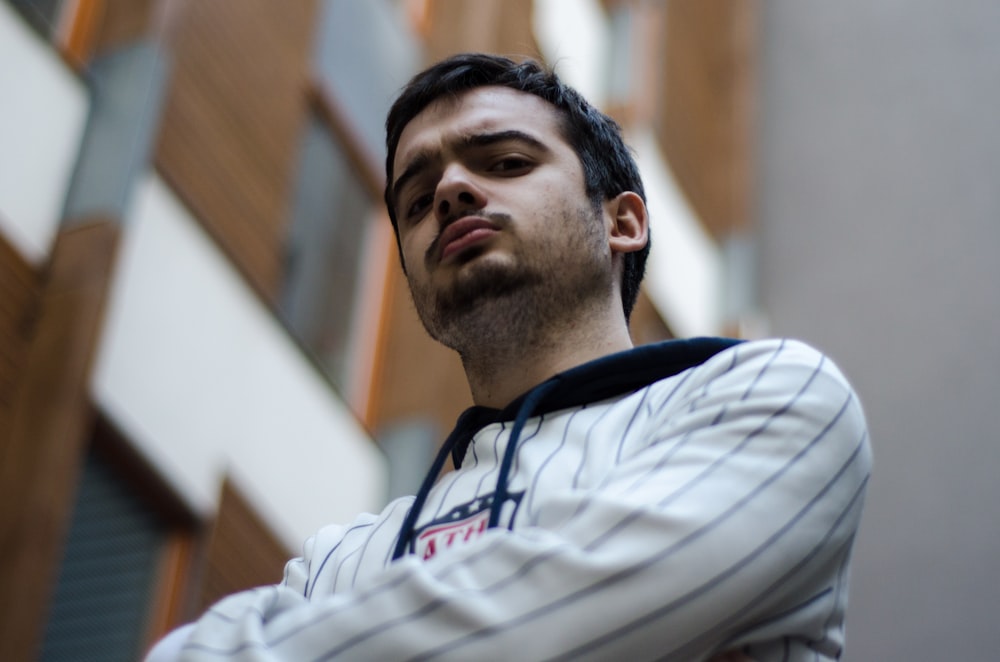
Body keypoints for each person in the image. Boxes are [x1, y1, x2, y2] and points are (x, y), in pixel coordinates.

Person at [147, 53, 871, 661]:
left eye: (506, 161)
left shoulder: (776, 398)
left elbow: (545, 629)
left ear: (623, 221)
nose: (452, 192)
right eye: (417, 200)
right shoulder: (335, 561)